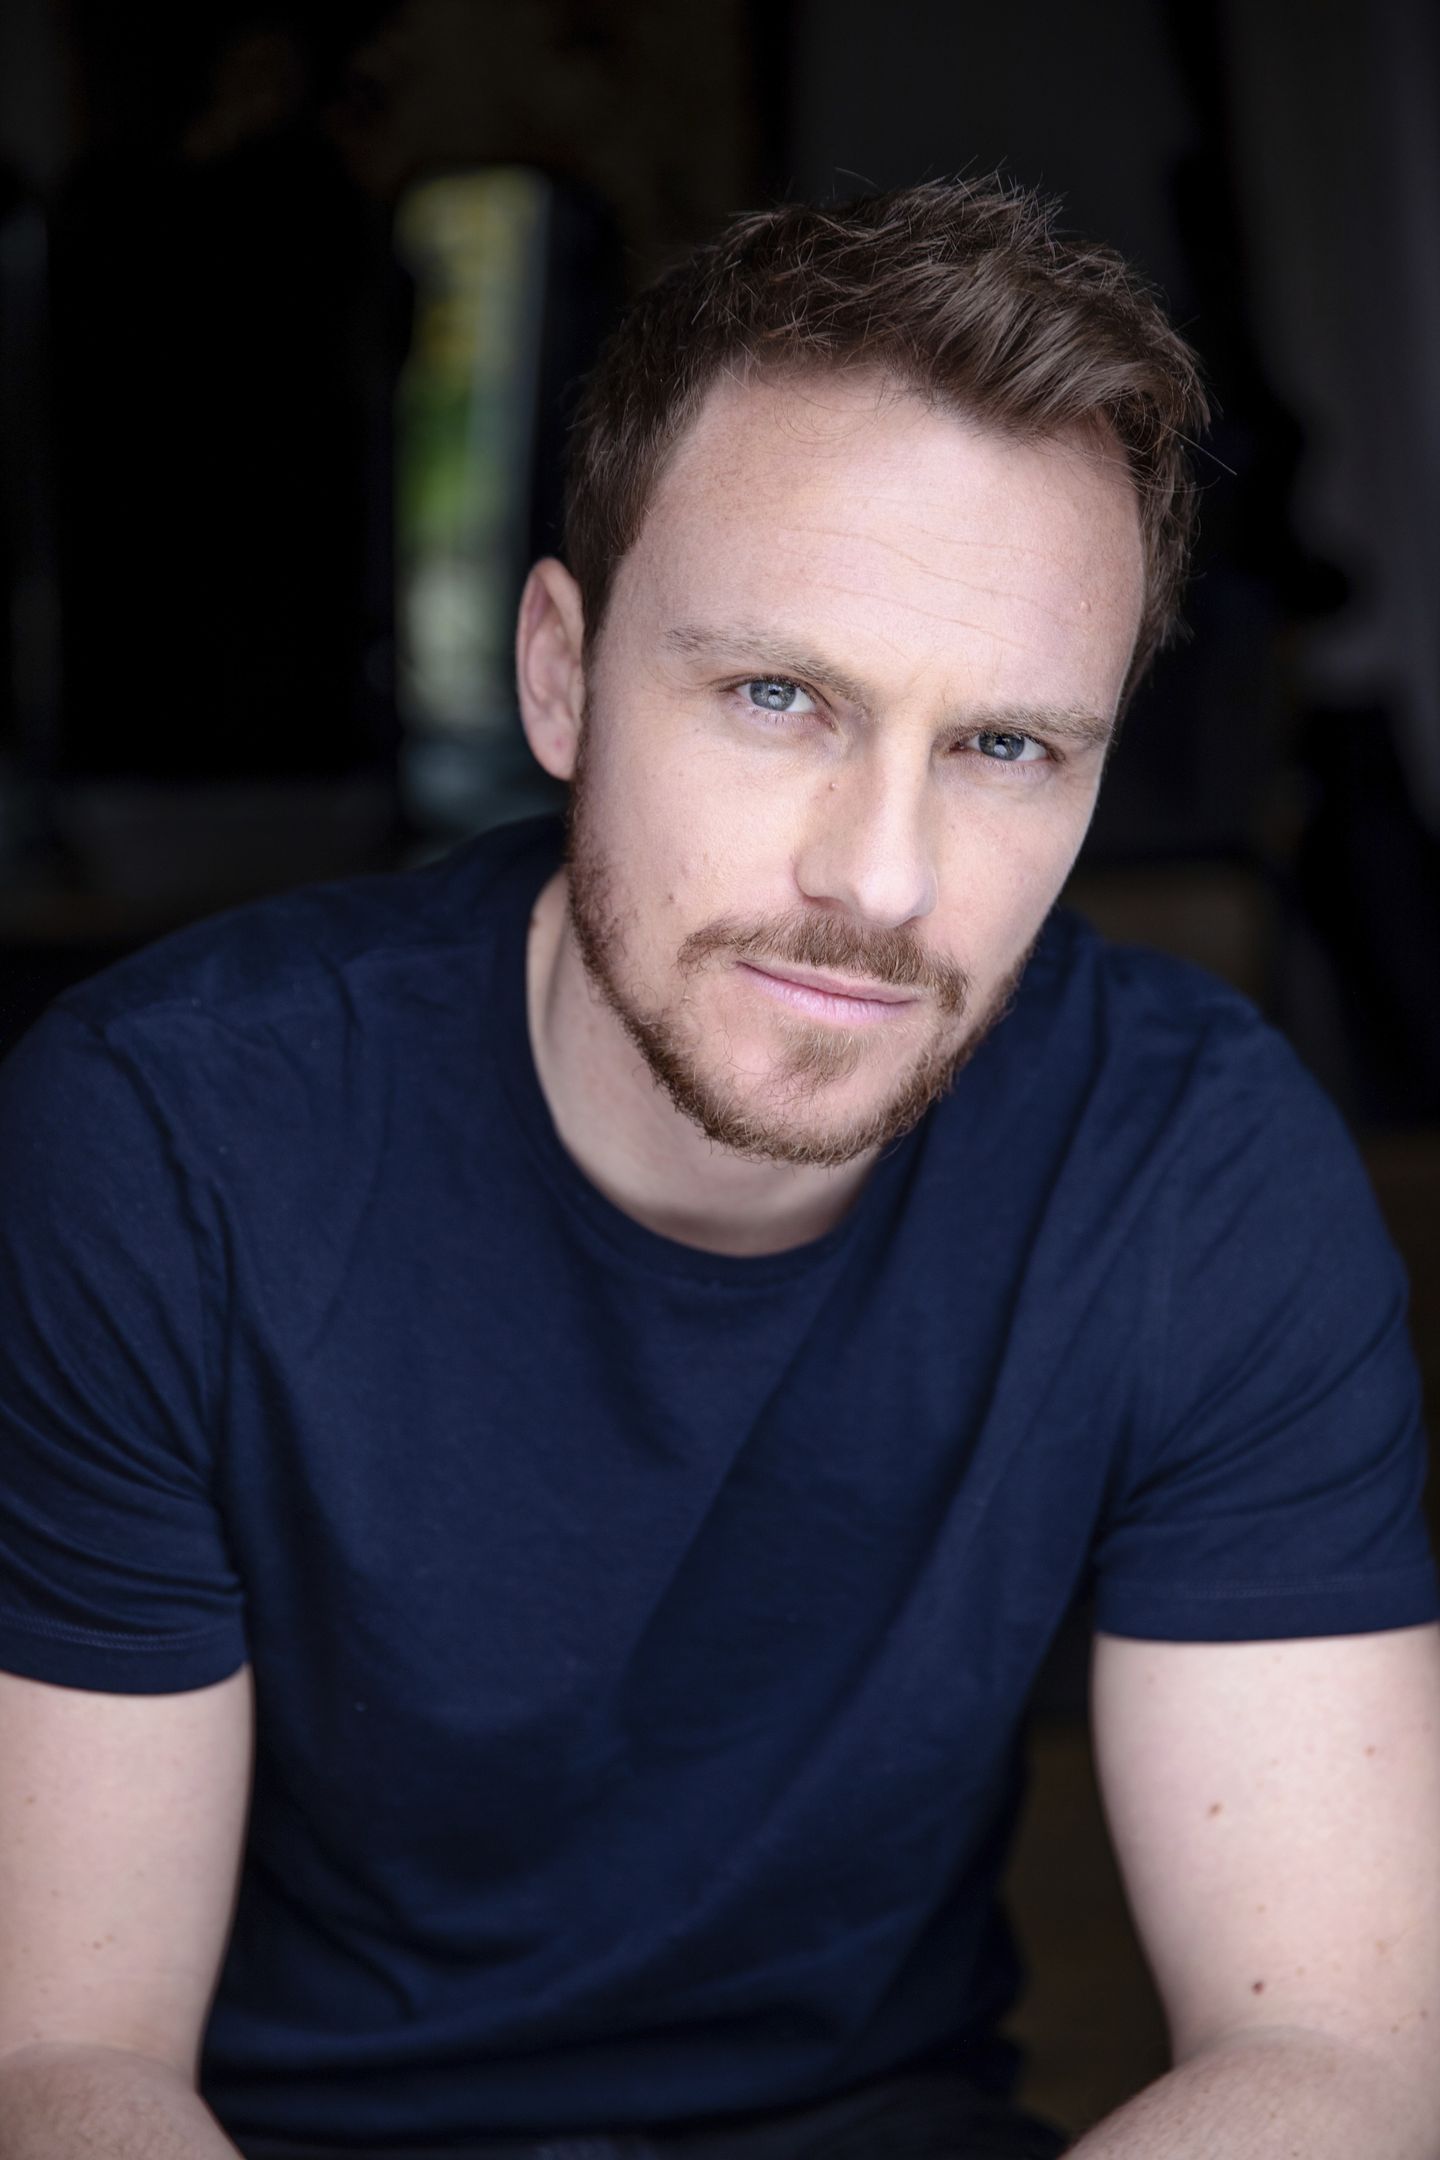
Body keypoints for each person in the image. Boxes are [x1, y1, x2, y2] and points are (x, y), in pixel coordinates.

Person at [0, 178, 1436, 2160]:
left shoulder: (1197, 1171)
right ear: (562, 675)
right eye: (780, 697)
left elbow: (1338, 2054)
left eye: (1006, 748)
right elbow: (61, 2065)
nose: (882, 879)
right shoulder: (165, 1146)